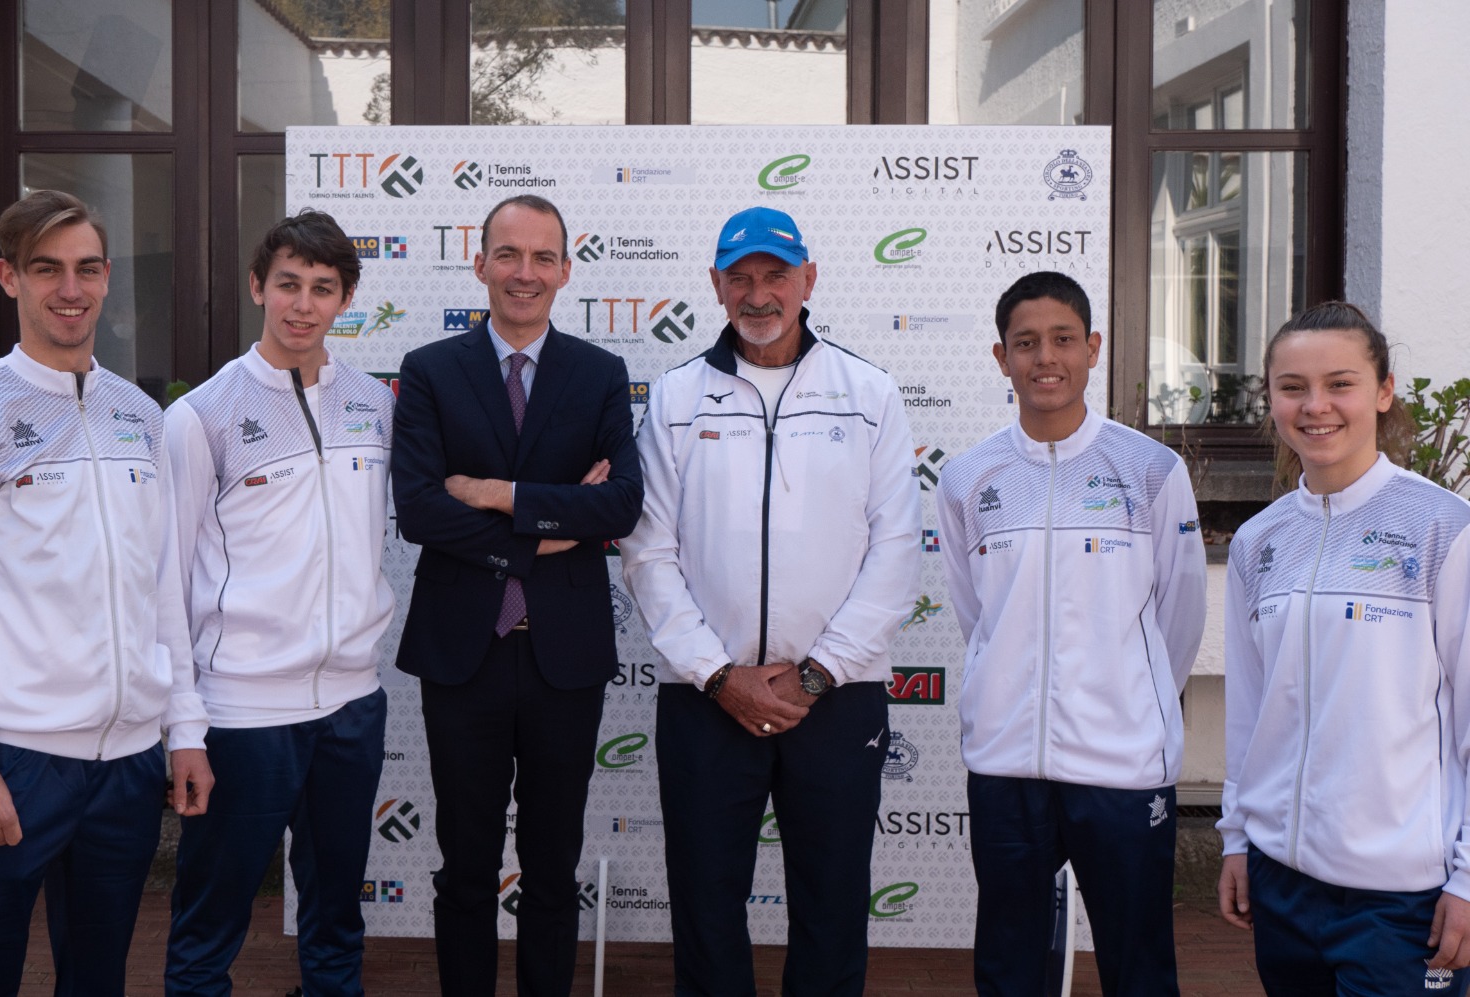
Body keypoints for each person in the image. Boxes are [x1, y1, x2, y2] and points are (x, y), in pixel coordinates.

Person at [0, 189, 213, 996]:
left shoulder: (140, 415)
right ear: (8, 277)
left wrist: (185, 729)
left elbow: (159, 583)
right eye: (47, 269)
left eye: (88, 268)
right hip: (17, 759)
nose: (72, 288)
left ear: (106, 279)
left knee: (96, 978)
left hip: (129, 764)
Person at [619, 205, 921, 996]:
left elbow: (894, 553)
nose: (759, 294)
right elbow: (649, 552)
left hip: (838, 697)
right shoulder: (678, 396)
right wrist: (720, 675)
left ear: (808, 280)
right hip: (706, 698)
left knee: (831, 905)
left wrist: (816, 674)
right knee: (707, 905)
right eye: (741, 277)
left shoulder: (869, 393)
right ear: (716, 286)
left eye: (775, 275)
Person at [390, 193, 643, 996]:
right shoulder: (430, 370)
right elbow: (422, 509)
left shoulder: (600, 375)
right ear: (480, 263)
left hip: (564, 654)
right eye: (509, 254)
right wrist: (552, 521)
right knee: (465, 861)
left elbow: (620, 505)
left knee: (552, 864)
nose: (524, 273)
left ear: (565, 271)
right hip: (463, 654)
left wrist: (498, 493)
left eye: (542, 258)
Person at [933, 270, 1206, 996]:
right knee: (1007, 965)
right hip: (1004, 765)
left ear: (1092, 347)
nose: (1044, 358)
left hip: (1120, 768)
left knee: (1137, 965)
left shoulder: (1149, 469)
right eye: (1026, 343)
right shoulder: (967, 477)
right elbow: (977, 613)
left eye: (1061, 340)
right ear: (1001, 358)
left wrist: (1133, 702)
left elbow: (1178, 613)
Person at [162, 210, 396, 995]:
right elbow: (164, 580)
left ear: (346, 298)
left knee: (336, 913)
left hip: (353, 704)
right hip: (243, 710)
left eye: (322, 288)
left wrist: (567, 502)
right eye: (288, 284)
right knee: (213, 913)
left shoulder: (374, 403)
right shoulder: (200, 416)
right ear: (258, 285)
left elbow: (440, 498)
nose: (302, 304)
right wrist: (184, 724)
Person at [1217, 302, 1470, 994]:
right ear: (1270, 398)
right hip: (1281, 881)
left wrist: (1469, 878)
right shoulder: (1258, 541)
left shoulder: (1443, 529)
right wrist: (1238, 839)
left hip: (1401, 897)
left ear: (1383, 391)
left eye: (1341, 383)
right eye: (1293, 386)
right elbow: (1249, 714)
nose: (1315, 405)